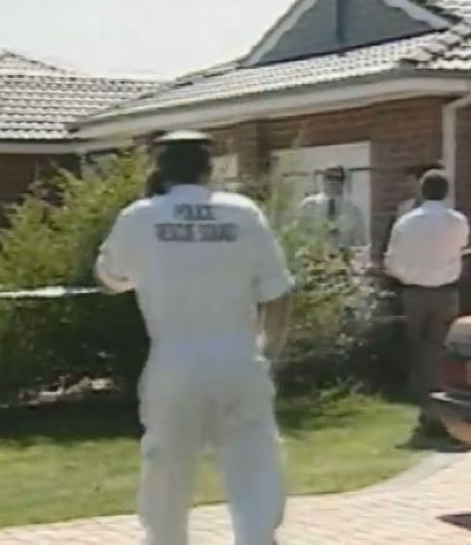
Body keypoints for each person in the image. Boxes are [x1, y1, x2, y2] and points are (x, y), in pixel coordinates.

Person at [95, 130, 294, 545]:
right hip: (239, 359)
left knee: (167, 474)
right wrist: (266, 353)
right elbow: (277, 294)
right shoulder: (243, 213)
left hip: (174, 362)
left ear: (159, 168)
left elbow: (109, 278)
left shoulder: (139, 217)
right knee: (255, 471)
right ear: (209, 169)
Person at [384, 170, 469, 440]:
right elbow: (461, 248)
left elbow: (391, 260)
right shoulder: (458, 221)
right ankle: (442, 411)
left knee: (419, 354)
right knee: (443, 353)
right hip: (446, 293)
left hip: (415, 293)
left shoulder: (406, 223)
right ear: (446, 192)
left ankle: (427, 411)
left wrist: (404, 273)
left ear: (422, 191)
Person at [296, 166, 367, 251]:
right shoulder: (308, 206)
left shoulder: (354, 211)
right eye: (329, 177)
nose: (333, 181)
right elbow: (298, 237)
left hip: (344, 259)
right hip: (313, 258)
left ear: (343, 182)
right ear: (323, 179)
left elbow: (360, 243)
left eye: (338, 178)